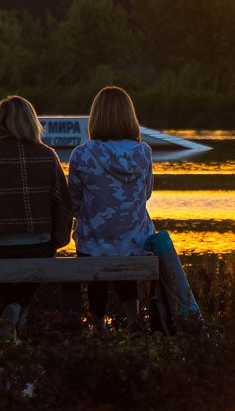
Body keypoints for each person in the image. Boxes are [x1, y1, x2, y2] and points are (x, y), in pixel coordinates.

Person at [0, 95, 73, 338]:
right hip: (39, 247)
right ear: (32, 121)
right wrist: (55, 235)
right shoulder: (47, 155)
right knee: (43, 254)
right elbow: (64, 205)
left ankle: (11, 307)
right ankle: (19, 309)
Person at [68, 86, 153, 334]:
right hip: (135, 242)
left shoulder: (82, 154)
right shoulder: (144, 152)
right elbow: (146, 193)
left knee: (94, 244)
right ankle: (133, 319)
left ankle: (98, 324)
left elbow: (73, 202)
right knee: (124, 242)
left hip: (93, 243)